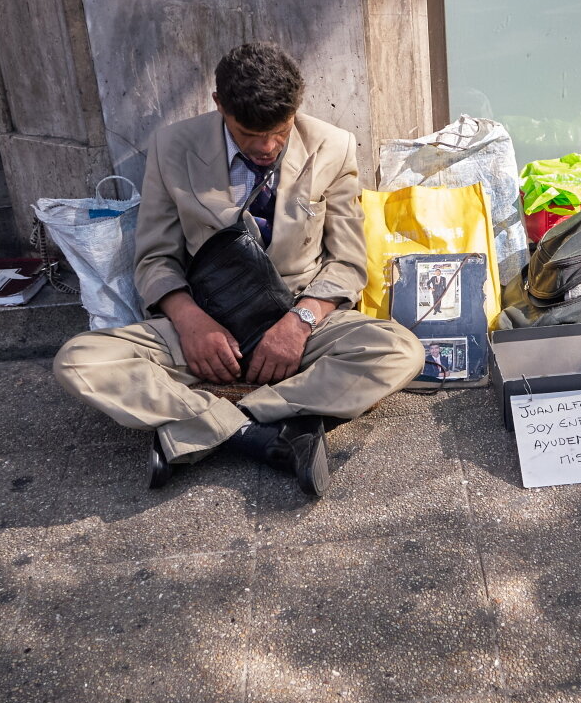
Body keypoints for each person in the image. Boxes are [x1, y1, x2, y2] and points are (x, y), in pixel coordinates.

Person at [53, 43, 423, 497]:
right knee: (78, 360)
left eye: (280, 132)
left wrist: (300, 321)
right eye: (249, 133)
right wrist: (190, 322)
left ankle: (213, 424)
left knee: (400, 350)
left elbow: (347, 261)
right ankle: (270, 434)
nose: (267, 148)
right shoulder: (173, 147)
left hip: (296, 317)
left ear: (295, 111)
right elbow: (153, 259)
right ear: (219, 107)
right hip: (207, 325)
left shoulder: (333, 146)